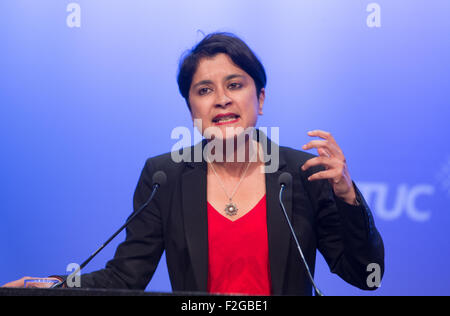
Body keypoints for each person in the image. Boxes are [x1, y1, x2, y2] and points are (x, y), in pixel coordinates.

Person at [2, 32, 384, 295]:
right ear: (192, 110)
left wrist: (348, 196)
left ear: (261, 99)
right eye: (204, 90)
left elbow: (366, 277)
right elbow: (125, 277)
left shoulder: (303, 175)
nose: (221, 99)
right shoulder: (164, 177)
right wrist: (51, 286)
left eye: (235, 85)